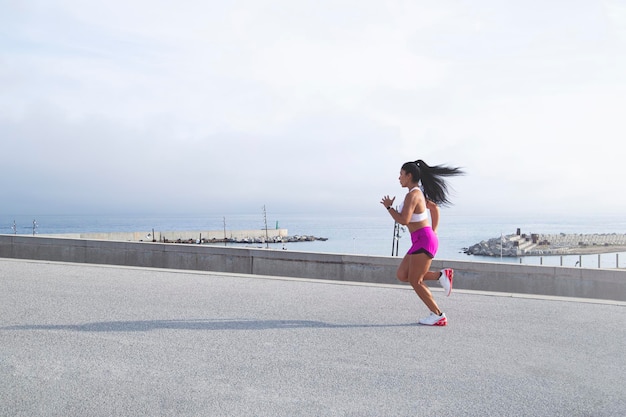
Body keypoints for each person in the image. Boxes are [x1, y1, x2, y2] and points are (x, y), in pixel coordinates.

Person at [380, 159, 464, 326]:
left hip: (424, 240)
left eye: (401, 174)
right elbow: (434, 208)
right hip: (421, 239)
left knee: (415, 281)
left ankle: (438, 315)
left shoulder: (413, 195)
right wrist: (434, 231)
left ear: (409, 175)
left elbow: (404, 220)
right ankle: (441, 275)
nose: (399, 178)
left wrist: (389, 208)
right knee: (402, 275)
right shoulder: (418, 193)